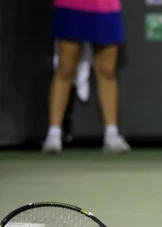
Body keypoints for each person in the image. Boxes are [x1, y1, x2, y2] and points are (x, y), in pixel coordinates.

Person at [42, 0, 130, 154]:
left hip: (106, 7)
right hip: (72, 5)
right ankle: (53, 134)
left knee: (107, 71)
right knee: (65, 70)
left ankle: (112, 134)